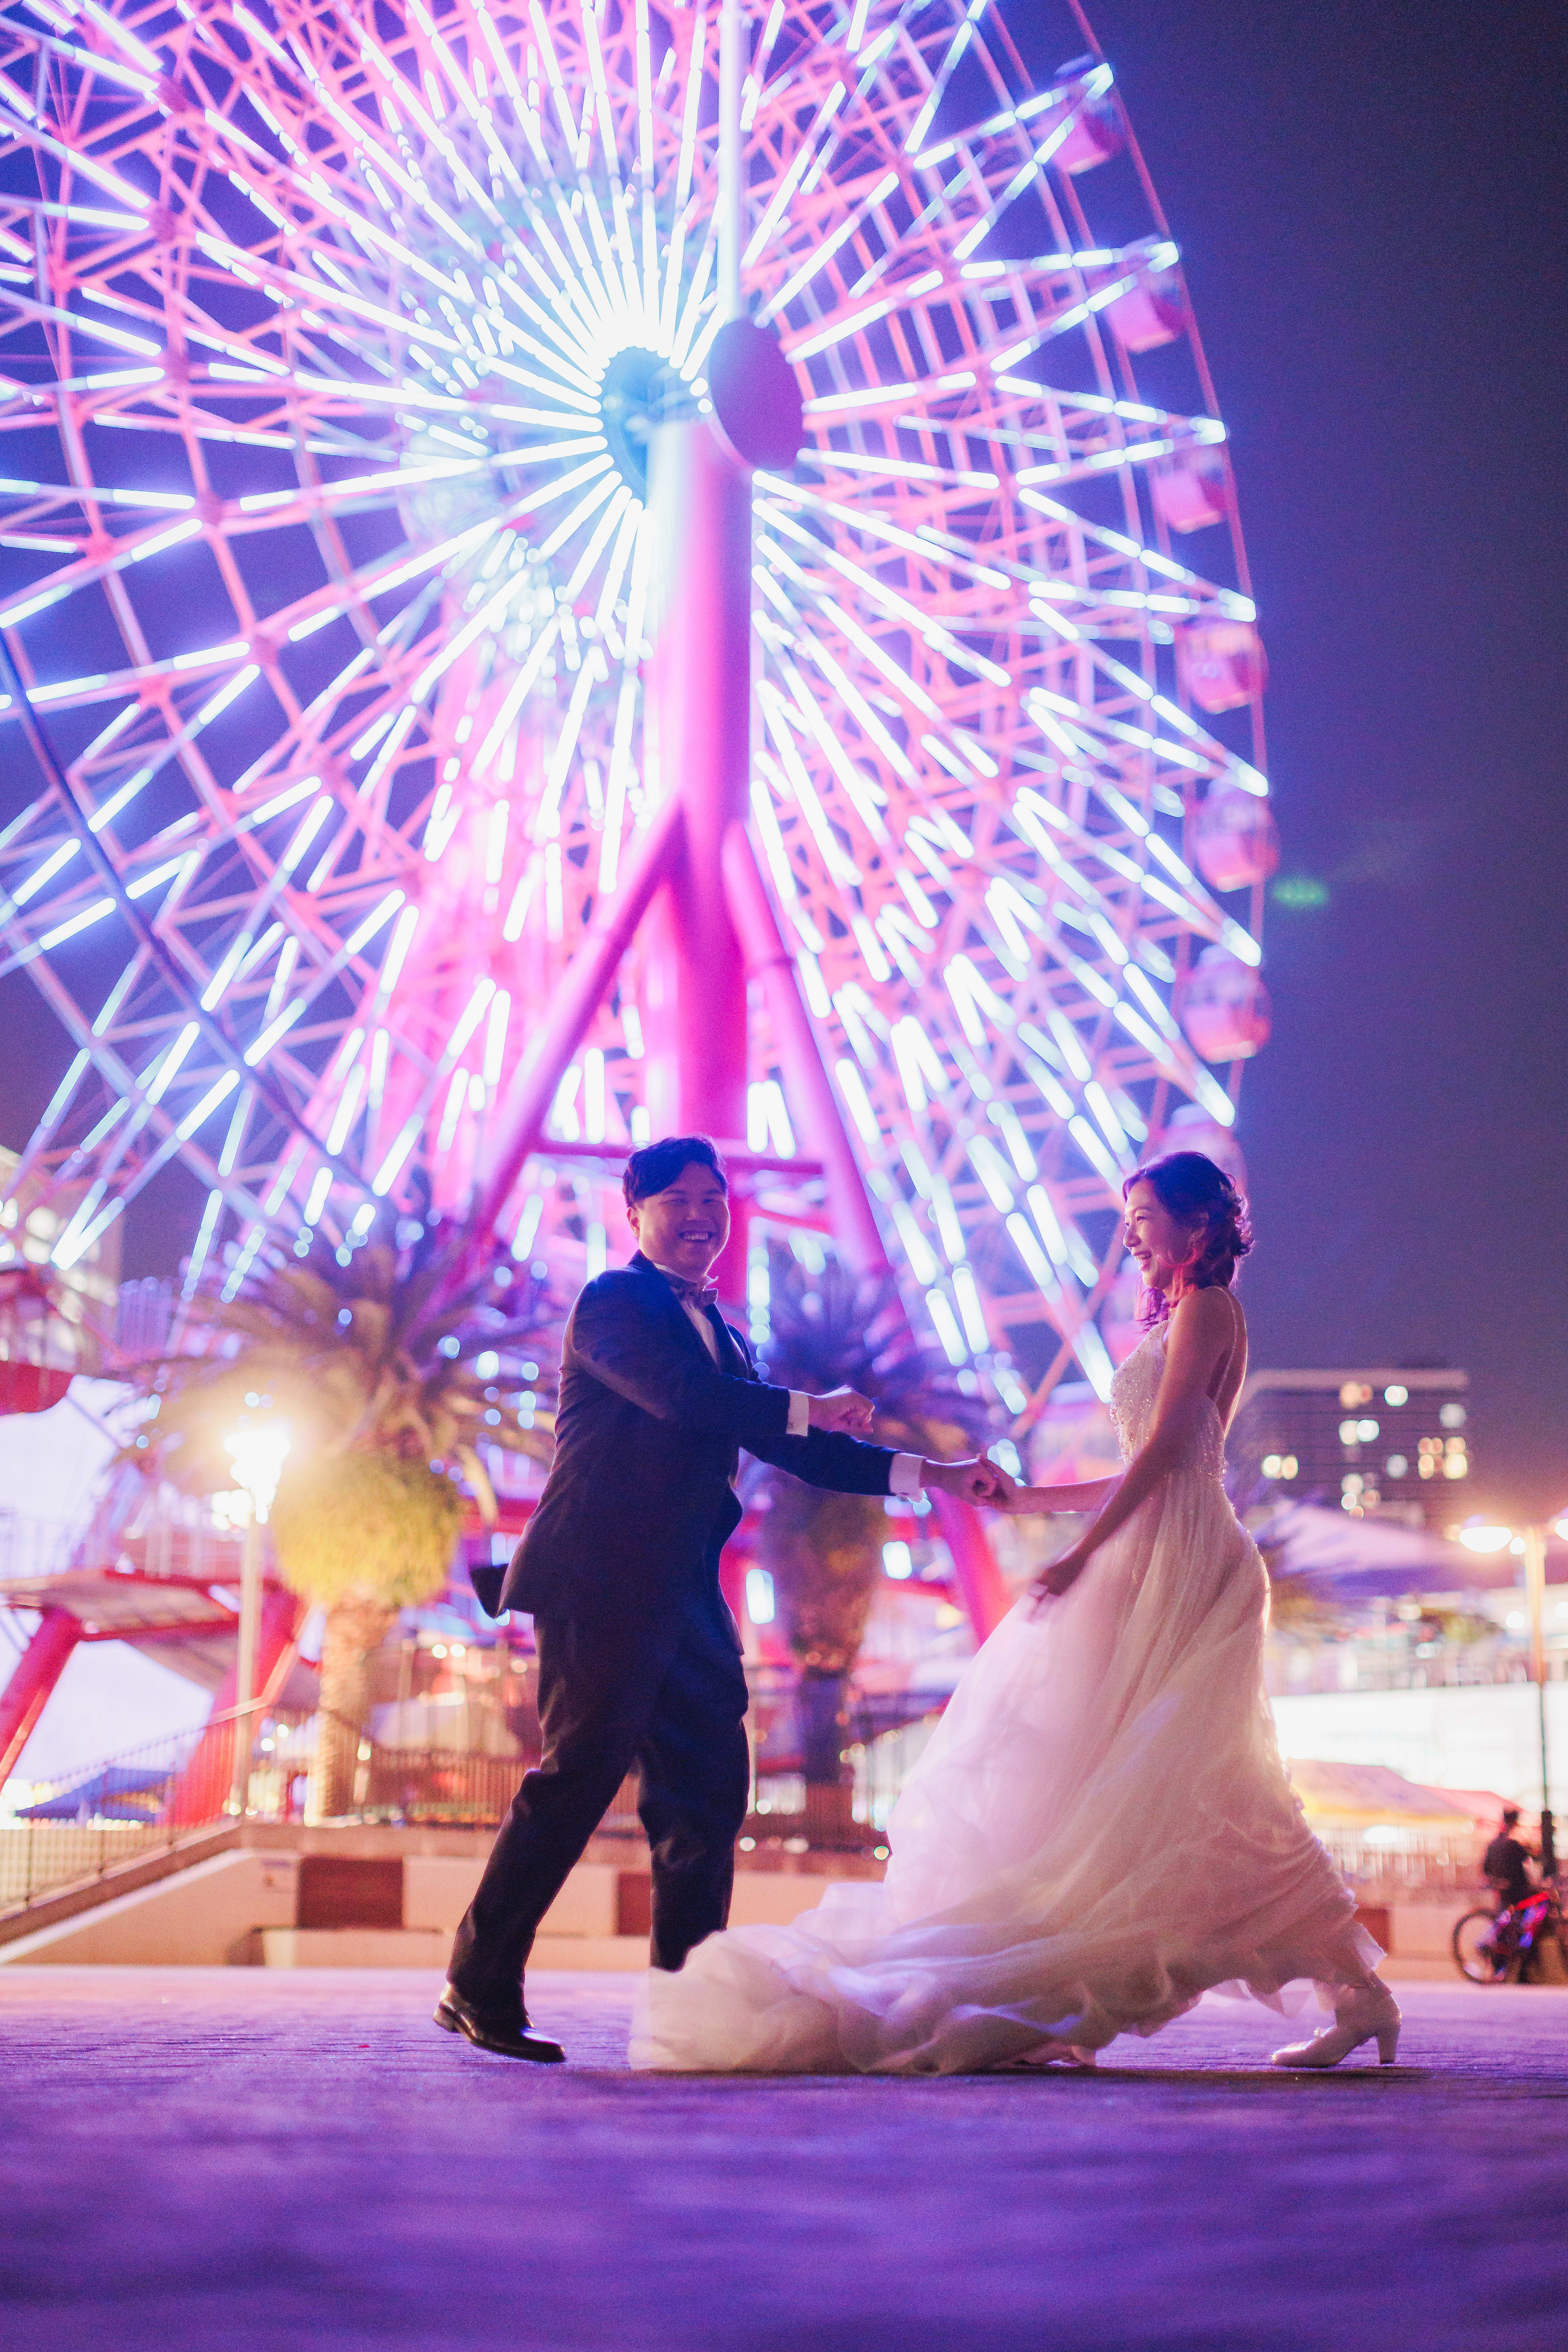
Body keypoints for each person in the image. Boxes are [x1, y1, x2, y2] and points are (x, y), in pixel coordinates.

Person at [632, 1150, 1401, 2076]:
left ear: (1197, 1224)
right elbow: (1155, 1464)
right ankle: (1345, 1991)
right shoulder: (1183, 1314)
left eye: (1143, 1217)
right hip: (1160, 1541)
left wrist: (1080, 1553)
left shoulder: (1207, 1308)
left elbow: (1169, 1455)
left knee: (1197, 1767)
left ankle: (1353, 1992)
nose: (1128, 1235)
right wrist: (1034, 1502)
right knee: (1146, 1769)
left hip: (1183, 1556)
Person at [437, 1134, 1005, 2060]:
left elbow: (792, 1445)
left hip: (683, 1590)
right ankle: (477, 1980)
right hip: (597, 1578)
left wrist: (930, 1473)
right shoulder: (612, 1301)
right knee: (577, 1781)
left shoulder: (726, 1333)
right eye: (679, 1200)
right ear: (634, 1212)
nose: (702, 1215)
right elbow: (682, 1397)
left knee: (706, 1797)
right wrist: (805, 1404)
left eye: (715, 1199)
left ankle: (688, 2006)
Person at [1483, 1807, 1536, 1911]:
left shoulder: (1494, 1843)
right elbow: (1528, 1859)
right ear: (1515, 1823)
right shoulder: (1513, 1844)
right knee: (1536, 1897)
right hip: (1514, 1887)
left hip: (1498, 1884)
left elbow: (1486, 1867)